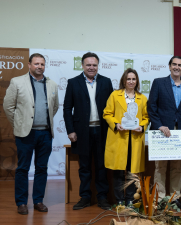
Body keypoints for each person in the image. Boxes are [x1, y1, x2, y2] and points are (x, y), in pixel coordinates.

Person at [3, 53, 59, 215]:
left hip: (45, 134)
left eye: (42, 64)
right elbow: (8, 107)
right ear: (29, 65)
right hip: (25, 134)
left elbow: (54, 107)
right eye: (36, 64)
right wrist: (20, 124)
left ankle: (38, 201)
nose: (39, 66)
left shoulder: (52, 84)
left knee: (42, 168)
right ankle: (21, 202)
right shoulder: (17, 82)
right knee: (23, 168)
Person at [63, 52, 113, 210]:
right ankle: (85, 197)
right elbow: (66, 108)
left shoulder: (106, 82)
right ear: (82, 65)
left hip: (103, 130)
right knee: (84, 166)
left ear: (98, 66)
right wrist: (70, 130)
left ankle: (103, 197)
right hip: (81, 131)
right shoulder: (73, 82)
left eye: (94, 65)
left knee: (101, 166)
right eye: (88, 65)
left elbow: (112, 108)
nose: (91, 67)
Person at [147, 56, 181, 210]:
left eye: (180, 65)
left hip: (179, 132)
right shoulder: (159, 83)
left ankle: (174, 199)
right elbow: (151, 107)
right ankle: (160, 199)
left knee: (177, 167)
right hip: (162, 132)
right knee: (160, 167)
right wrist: (159, 125)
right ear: (169, 66)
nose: (176, 67)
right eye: (174, 64)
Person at [103, 68, 149, 205]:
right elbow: (107, 113)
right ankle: (119, 201)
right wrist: (116, 124)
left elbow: (146, 117)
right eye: (128, 79)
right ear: (124, 80)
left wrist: (142, 127)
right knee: (118, 172)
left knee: (132, 172)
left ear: (137, 81)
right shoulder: (115, 95)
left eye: (133, 79)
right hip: (119, 138)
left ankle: (130, 199)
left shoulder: (142, 98)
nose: (131, 81)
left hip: (135, 139)